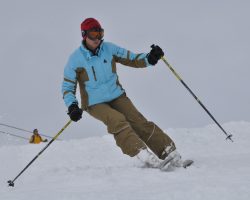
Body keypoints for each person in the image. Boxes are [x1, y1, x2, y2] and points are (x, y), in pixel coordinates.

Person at [61, 17, 183, 169]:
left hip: (116, 95)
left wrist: (149, 58)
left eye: (100, 34)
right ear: (84, 35)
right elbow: (67, 86)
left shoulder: (109, 49)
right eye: (93, 35)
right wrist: (72, 105)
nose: (97, 39)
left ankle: (169, 152)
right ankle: (143, 155)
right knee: (117, 120)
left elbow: (131, 58)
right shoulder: (75, 60)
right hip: (94, 102)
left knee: (138, 121)